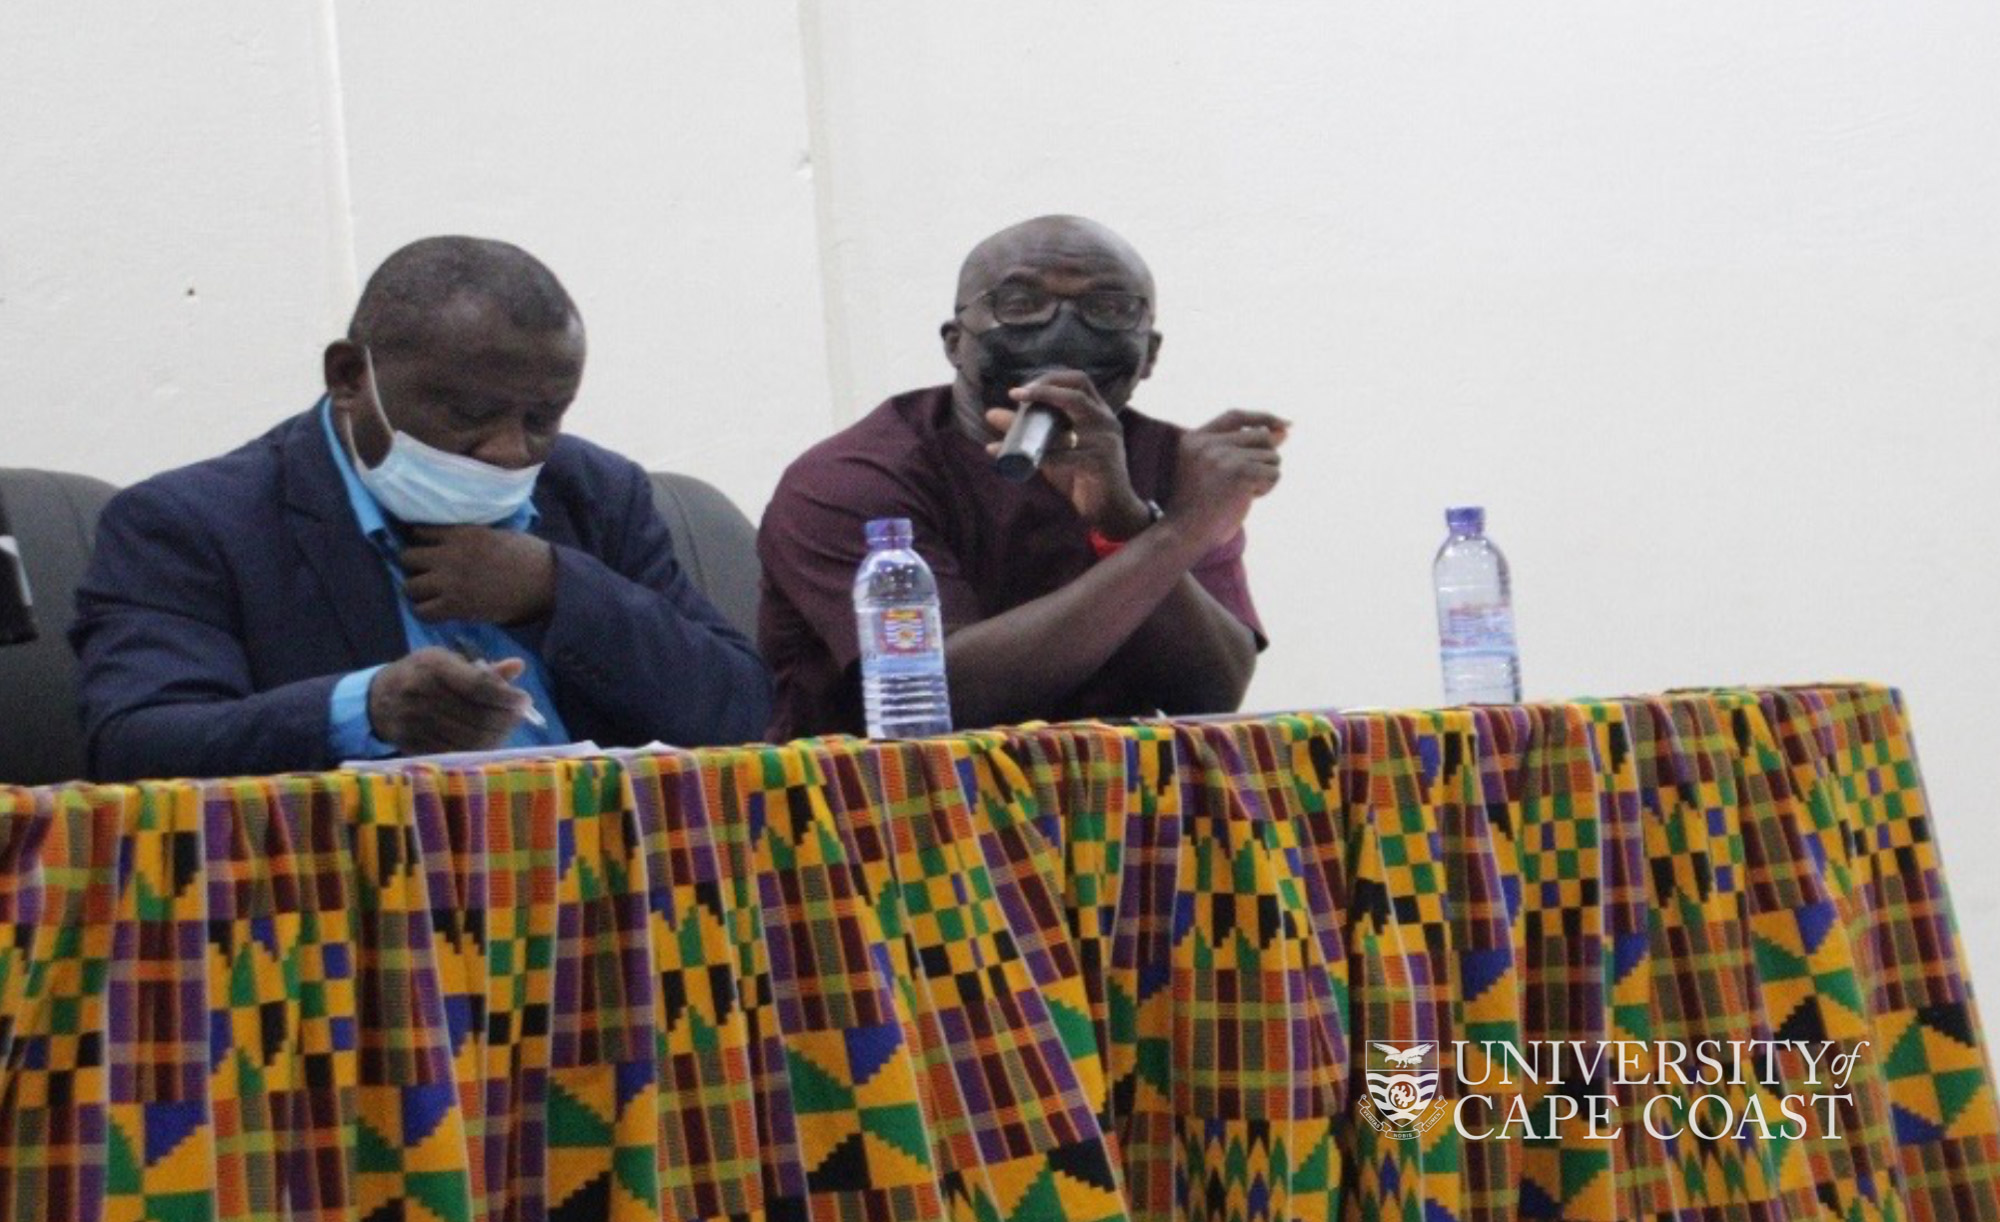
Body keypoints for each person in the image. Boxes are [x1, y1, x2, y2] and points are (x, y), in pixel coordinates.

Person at [72, 236, 770, 780]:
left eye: (543, 417)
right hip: (355, 909)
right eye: (470, 412)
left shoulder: (593, 493)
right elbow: (137, 747)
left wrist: (557, 592)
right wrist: (365, 709)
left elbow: (741, 711)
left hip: (607, 894)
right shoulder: (192, 524)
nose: (508, 450)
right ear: (350, 378)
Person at [758, 215, 1285, 740]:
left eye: (1107, 308)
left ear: (1149, 355)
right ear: (954, 343)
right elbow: (945, 699)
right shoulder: (855, 477)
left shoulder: (1171, 462)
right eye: (1020, 304)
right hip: (890, 805)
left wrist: (1125, 522)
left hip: (1119, 801)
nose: (1063, 336)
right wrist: (1175, 533)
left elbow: (1209, 694)